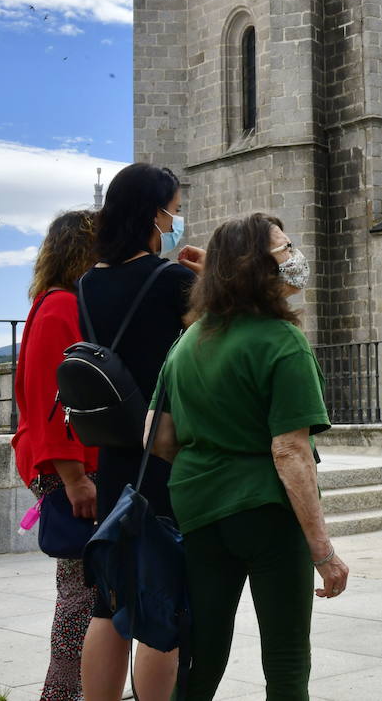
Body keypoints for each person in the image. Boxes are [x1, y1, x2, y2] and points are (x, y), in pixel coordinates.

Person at [146, 213, 348, 700]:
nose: (293, 256)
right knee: (285, 658)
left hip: (198, 510)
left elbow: (155, 435)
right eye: (283, 248)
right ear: (255, 266)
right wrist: (324, 553)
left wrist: (212, 460)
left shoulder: (188, 341)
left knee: (203, 654)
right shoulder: (282, 342)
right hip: (267, 514)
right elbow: (290, 451)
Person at [78, 163, 204, 701]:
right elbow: (211, 346)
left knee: (110, 599)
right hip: (166, 454)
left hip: (114, 455)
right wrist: (208, 278)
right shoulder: (174, 281)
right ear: (156, 213)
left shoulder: (88, 283)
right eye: (175, 209)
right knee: (163, 602)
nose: (178, 219)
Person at [11, 209, 100, 701]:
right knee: (79, 593)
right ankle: (62, 693)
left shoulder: (58, 303)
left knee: (84, 590)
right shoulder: (59, 308)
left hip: (73, 468)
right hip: (72, 471)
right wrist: (75, 478)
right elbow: (54, 400)